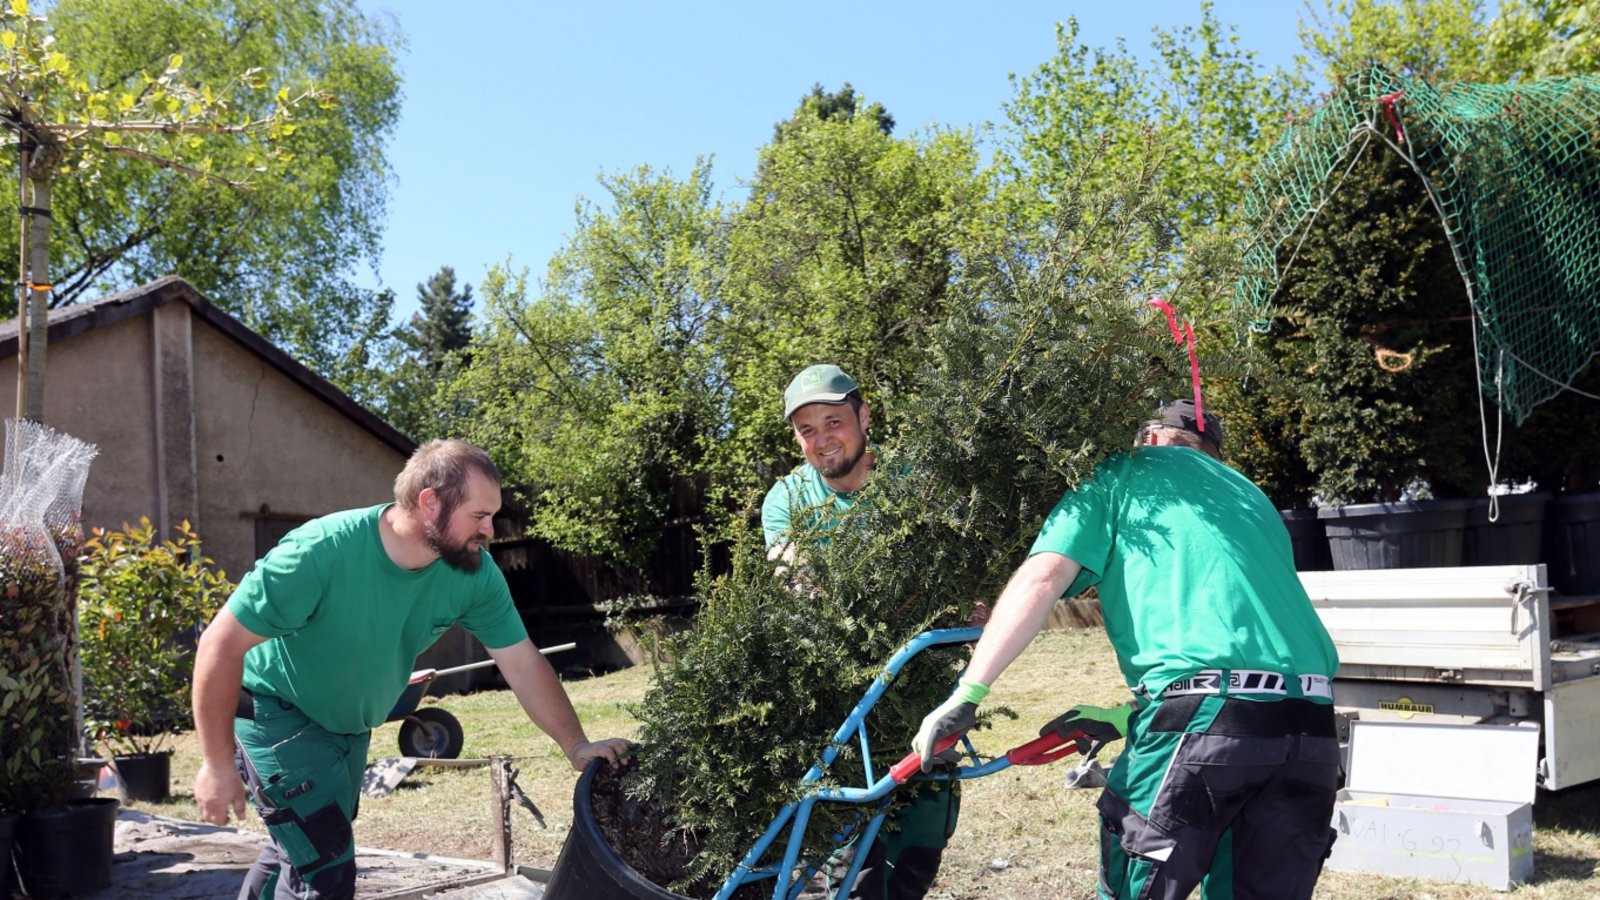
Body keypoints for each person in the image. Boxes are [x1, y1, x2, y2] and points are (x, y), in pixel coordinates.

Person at [913, 399, 1341, 900]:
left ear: (1150, 438)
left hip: (1204, 727)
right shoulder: (1249, 497)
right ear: (1212, 455)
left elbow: (1046, 575)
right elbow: (1247, 646)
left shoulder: (1121, 472)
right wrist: (1123, 718)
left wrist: (968, 691)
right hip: (1310, 727)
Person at [192, 439, 633, 900]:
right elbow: (219, 646)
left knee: (301, 848)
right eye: (479, 516)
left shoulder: (473, 574)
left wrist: (575, 744)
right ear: (430, 503)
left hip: (348, 725)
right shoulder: (321, 552)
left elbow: (521, 662)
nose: (490, 531)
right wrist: (215, 763)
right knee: (325, 870)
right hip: (275, 710)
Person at [763, 364, 958, 900]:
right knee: (844, 855)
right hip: (836, 705)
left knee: (916, 848)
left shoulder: (915, 481)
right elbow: (795, 581)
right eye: (807, 430)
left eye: (834, 421)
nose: (823, 439)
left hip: (923, 696)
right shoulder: (787, 499)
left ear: (864, 416)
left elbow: (961, 576)